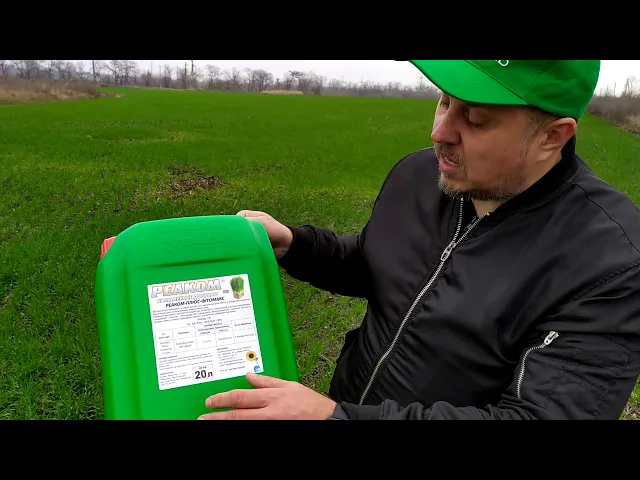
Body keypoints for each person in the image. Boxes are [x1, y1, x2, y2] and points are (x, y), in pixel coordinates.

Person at [198, 60, 640, 420]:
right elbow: (377, 263)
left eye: (475, 119)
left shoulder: (610, 261)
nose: (440, 133)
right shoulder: (418, 175)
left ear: (551, 137)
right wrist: (295, 245)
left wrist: (336, 418)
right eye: (444, 101)